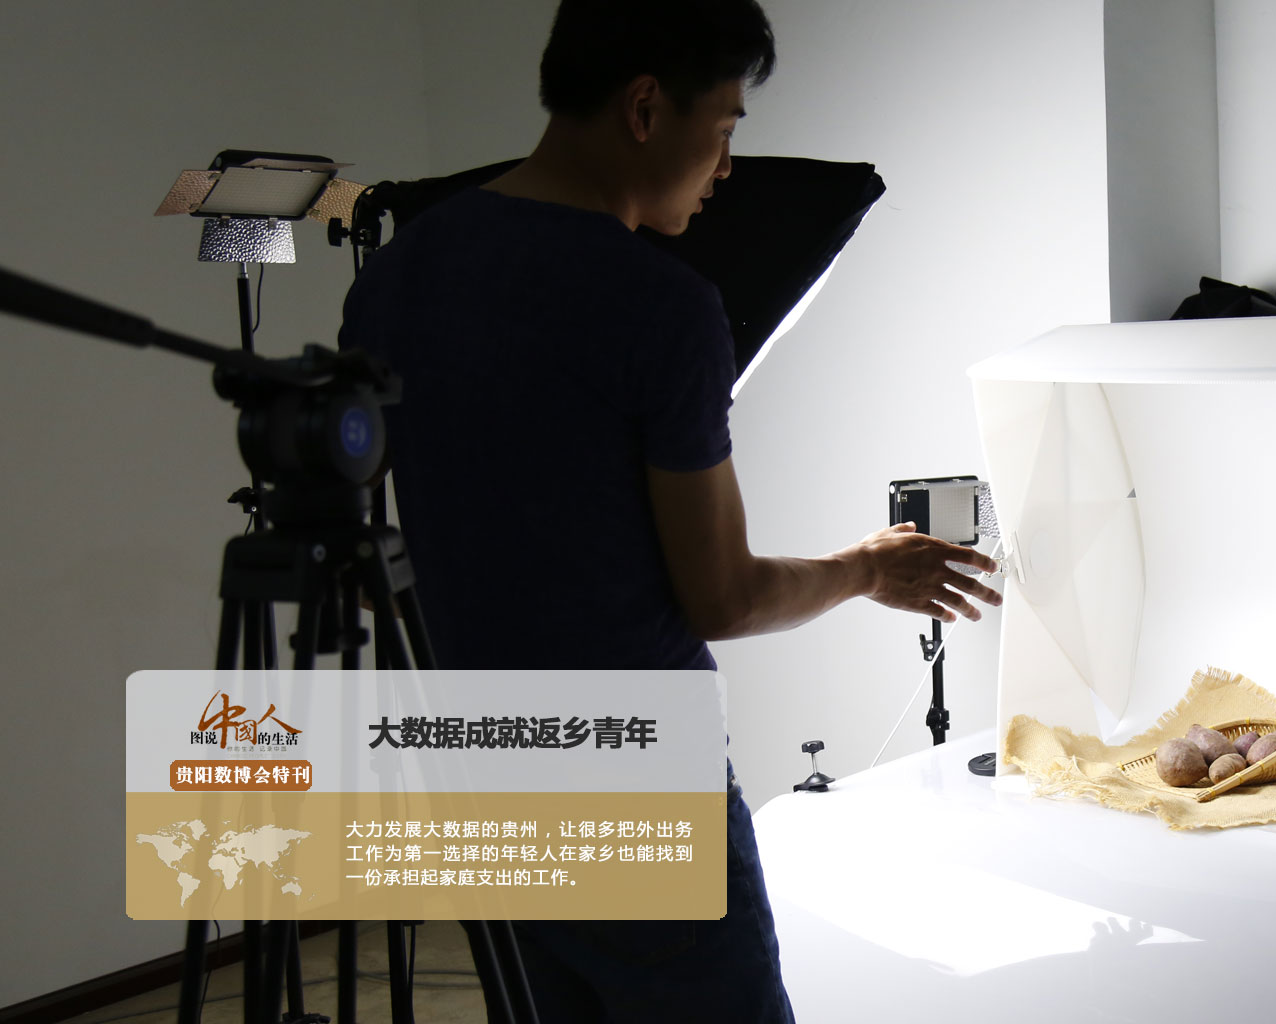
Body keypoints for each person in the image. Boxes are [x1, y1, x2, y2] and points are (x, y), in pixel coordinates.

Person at [338, 1, 1000, 1020]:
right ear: (646, 107)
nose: (726, 166)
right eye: (724, 128)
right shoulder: (659, 302)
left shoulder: (392, 279)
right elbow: (723, 598)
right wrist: (868, 568)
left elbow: (393, 553)